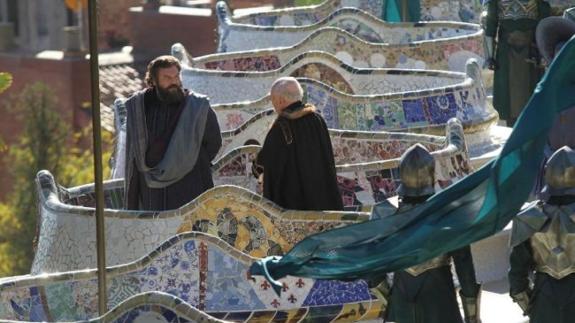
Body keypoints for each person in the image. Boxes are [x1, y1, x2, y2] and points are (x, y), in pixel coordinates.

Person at [383, 144, 481, 323]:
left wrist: (388, 298)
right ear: (432, 174)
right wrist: (472, 317)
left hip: (401, 299)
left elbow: (372, 267)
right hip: (440, 301)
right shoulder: (448, 212)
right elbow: (465, 269)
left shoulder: (385, 213)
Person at [124, 55, 222, 210]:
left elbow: (214, 142)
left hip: (191, 183)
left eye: (176, 76)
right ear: (154, 81)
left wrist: (189, 158)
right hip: (152, 190)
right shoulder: (140, 109)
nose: (173, 81)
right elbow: (134, 152)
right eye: (167, 77)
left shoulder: (197, 107)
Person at [251, 77, 343, 211]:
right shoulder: (317, 120)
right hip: (323, 201)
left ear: (281, 100)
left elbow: (266, 162)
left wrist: (256, 168)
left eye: (273, 100)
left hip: (294, 205)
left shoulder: (283, 126)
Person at [508, 146, 575, 323]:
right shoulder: (529, 216)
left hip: (543, 299)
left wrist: (532, 309)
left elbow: (517, 278)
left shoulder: (529, 217)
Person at [483, 0, 550, 126]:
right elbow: (490, 26)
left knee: (532, 96)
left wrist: (542, 52)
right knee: (509, 102)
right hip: (506, 52)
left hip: (532, 51)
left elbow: (545, 22)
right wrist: (490, 57)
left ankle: (531, 132)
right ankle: (513, 132)